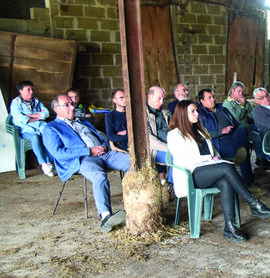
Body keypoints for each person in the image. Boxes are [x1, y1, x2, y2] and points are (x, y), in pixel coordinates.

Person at [167, 100, 270, 242]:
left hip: (207, 170)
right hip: (191, 174)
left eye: (196, 110)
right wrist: (211, 160)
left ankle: (230, 227)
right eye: (192, 111)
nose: (197, 113)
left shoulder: (199, 130)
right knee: (226, 167)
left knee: (225, 182)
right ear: (181, 115)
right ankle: (253, 202)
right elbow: (185, 159)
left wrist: (215, 157)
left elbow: (212, 150)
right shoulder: (175, 135)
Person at [42, 94, 131, 232]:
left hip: (104, 154)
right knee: (99, 176)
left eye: (72, 103)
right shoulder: (51, 128)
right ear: (56, 109)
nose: (72, 107)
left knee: (133, 162)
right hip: (82, 159)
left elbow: (99, 135)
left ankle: (134, 204)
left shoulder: (82, 121)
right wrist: (88, 151)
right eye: (67, 105)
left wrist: (103, 145)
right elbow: (58, 153)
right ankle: (106, 217)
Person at [196, 88, 261, 193]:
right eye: (209, 98)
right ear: (202, 101)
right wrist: (221, 131)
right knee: (243, 150)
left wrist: (239, 129)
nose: (213, 99)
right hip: (220, 142)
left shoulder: (223, 108)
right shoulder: (201, 115)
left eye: (213, 97)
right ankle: (249, 182)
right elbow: (203, 134)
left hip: (235, 136)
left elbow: (237, 124)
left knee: (242, 129)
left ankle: (240, 154)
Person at [222, 81, 270, 169]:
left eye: (242, 91)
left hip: (249, 125)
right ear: (233, 91)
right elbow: (236, 117)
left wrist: (244, 112)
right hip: (238, 129)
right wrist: (242, 106)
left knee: (266, 131)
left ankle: (267, 157)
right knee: (257, 137)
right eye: (238, 91)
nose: (241, 94)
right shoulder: (227, 104)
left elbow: (253, 115)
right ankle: (261, 158)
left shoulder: (245, 101)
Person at [9, 80, 54, 176]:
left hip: (40, 127)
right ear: (21, 91)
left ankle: (49, 162)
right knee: (35, 137)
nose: (31, 92)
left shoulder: (37, 101)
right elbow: (21, 118)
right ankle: (43, 164)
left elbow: (46, 113)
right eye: (28, 90)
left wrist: (30, 116)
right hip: (26, 129)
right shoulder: (15, 103)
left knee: (50, 135)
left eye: (32, 89)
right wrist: (38, 116)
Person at [146, 86, 171, 183]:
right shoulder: (143, 115)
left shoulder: (166, 113)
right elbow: (150, 141)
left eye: (163, 99)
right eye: (159, 99)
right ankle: (170, 184)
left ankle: (169, 183)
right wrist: (171, 148)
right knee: (180, 159)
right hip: (156, 150)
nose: (162, 102)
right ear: (149, 97)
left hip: (171, 146)